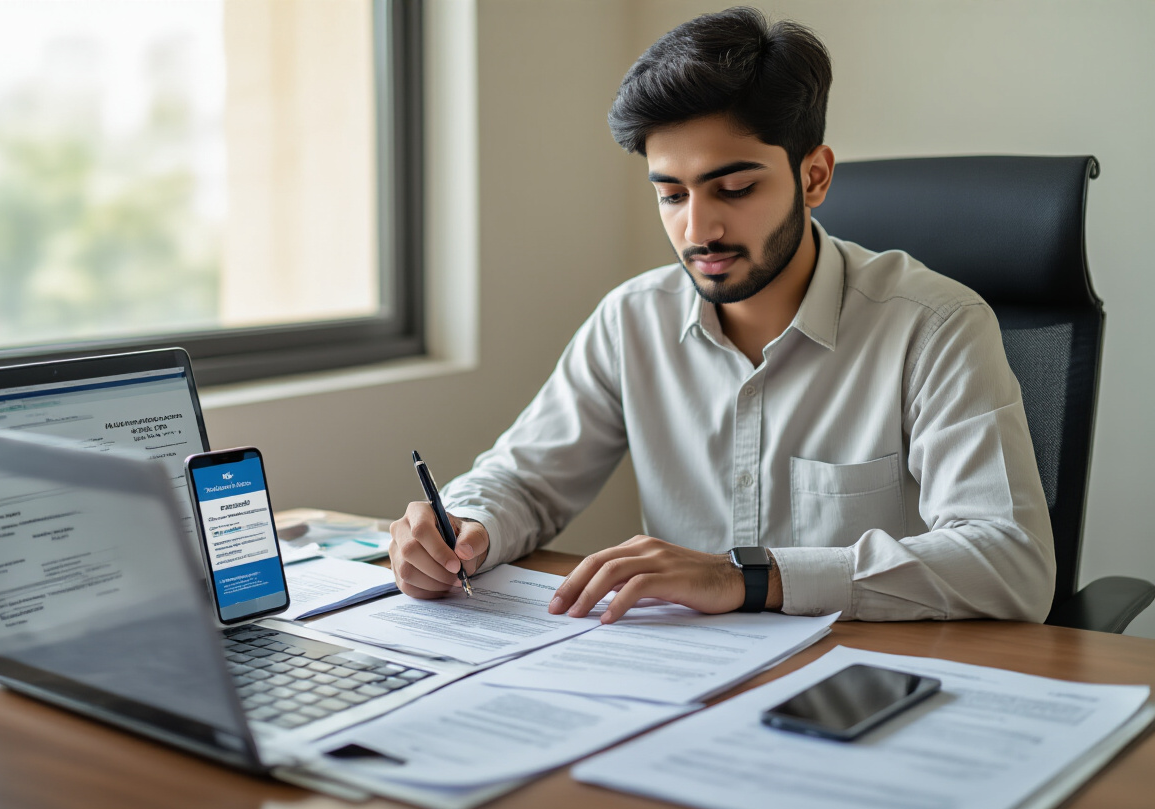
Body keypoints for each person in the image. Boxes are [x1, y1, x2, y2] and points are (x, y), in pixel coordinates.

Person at [388, 7, 1054, 624]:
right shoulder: (632, 321)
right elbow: (524, 481)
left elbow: (1010, 562)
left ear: (814, 177)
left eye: (734, 188)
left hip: (870, 681)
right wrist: (463, 527)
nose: (698, 228)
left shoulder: (933, 325)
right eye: (671, 195)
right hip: (686, 688)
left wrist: (749, 578)